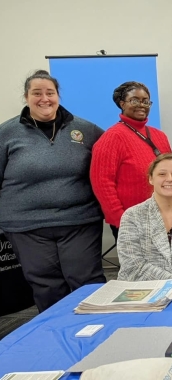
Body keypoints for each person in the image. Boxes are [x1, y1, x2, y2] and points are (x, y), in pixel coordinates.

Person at [0, 70, 106, 312]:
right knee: (47, 286)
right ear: (26, 97)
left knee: (87, 283)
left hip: (79, 221)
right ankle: (56, 338)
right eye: (37, 93)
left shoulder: (85, 130)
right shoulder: (6, 133)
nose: (44, 98)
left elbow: (111, 156)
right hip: (26, 225)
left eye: (50, 93)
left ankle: (99, 332)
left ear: (58, 95)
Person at [91, 81, 172, 238]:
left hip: (162, 217)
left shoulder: (159, 136)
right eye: (134, 100)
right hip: (131, 222)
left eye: (145, 101)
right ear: (122, 104)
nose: (141, 105)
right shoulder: (111, 138)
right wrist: (121, 220)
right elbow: (102, 183)